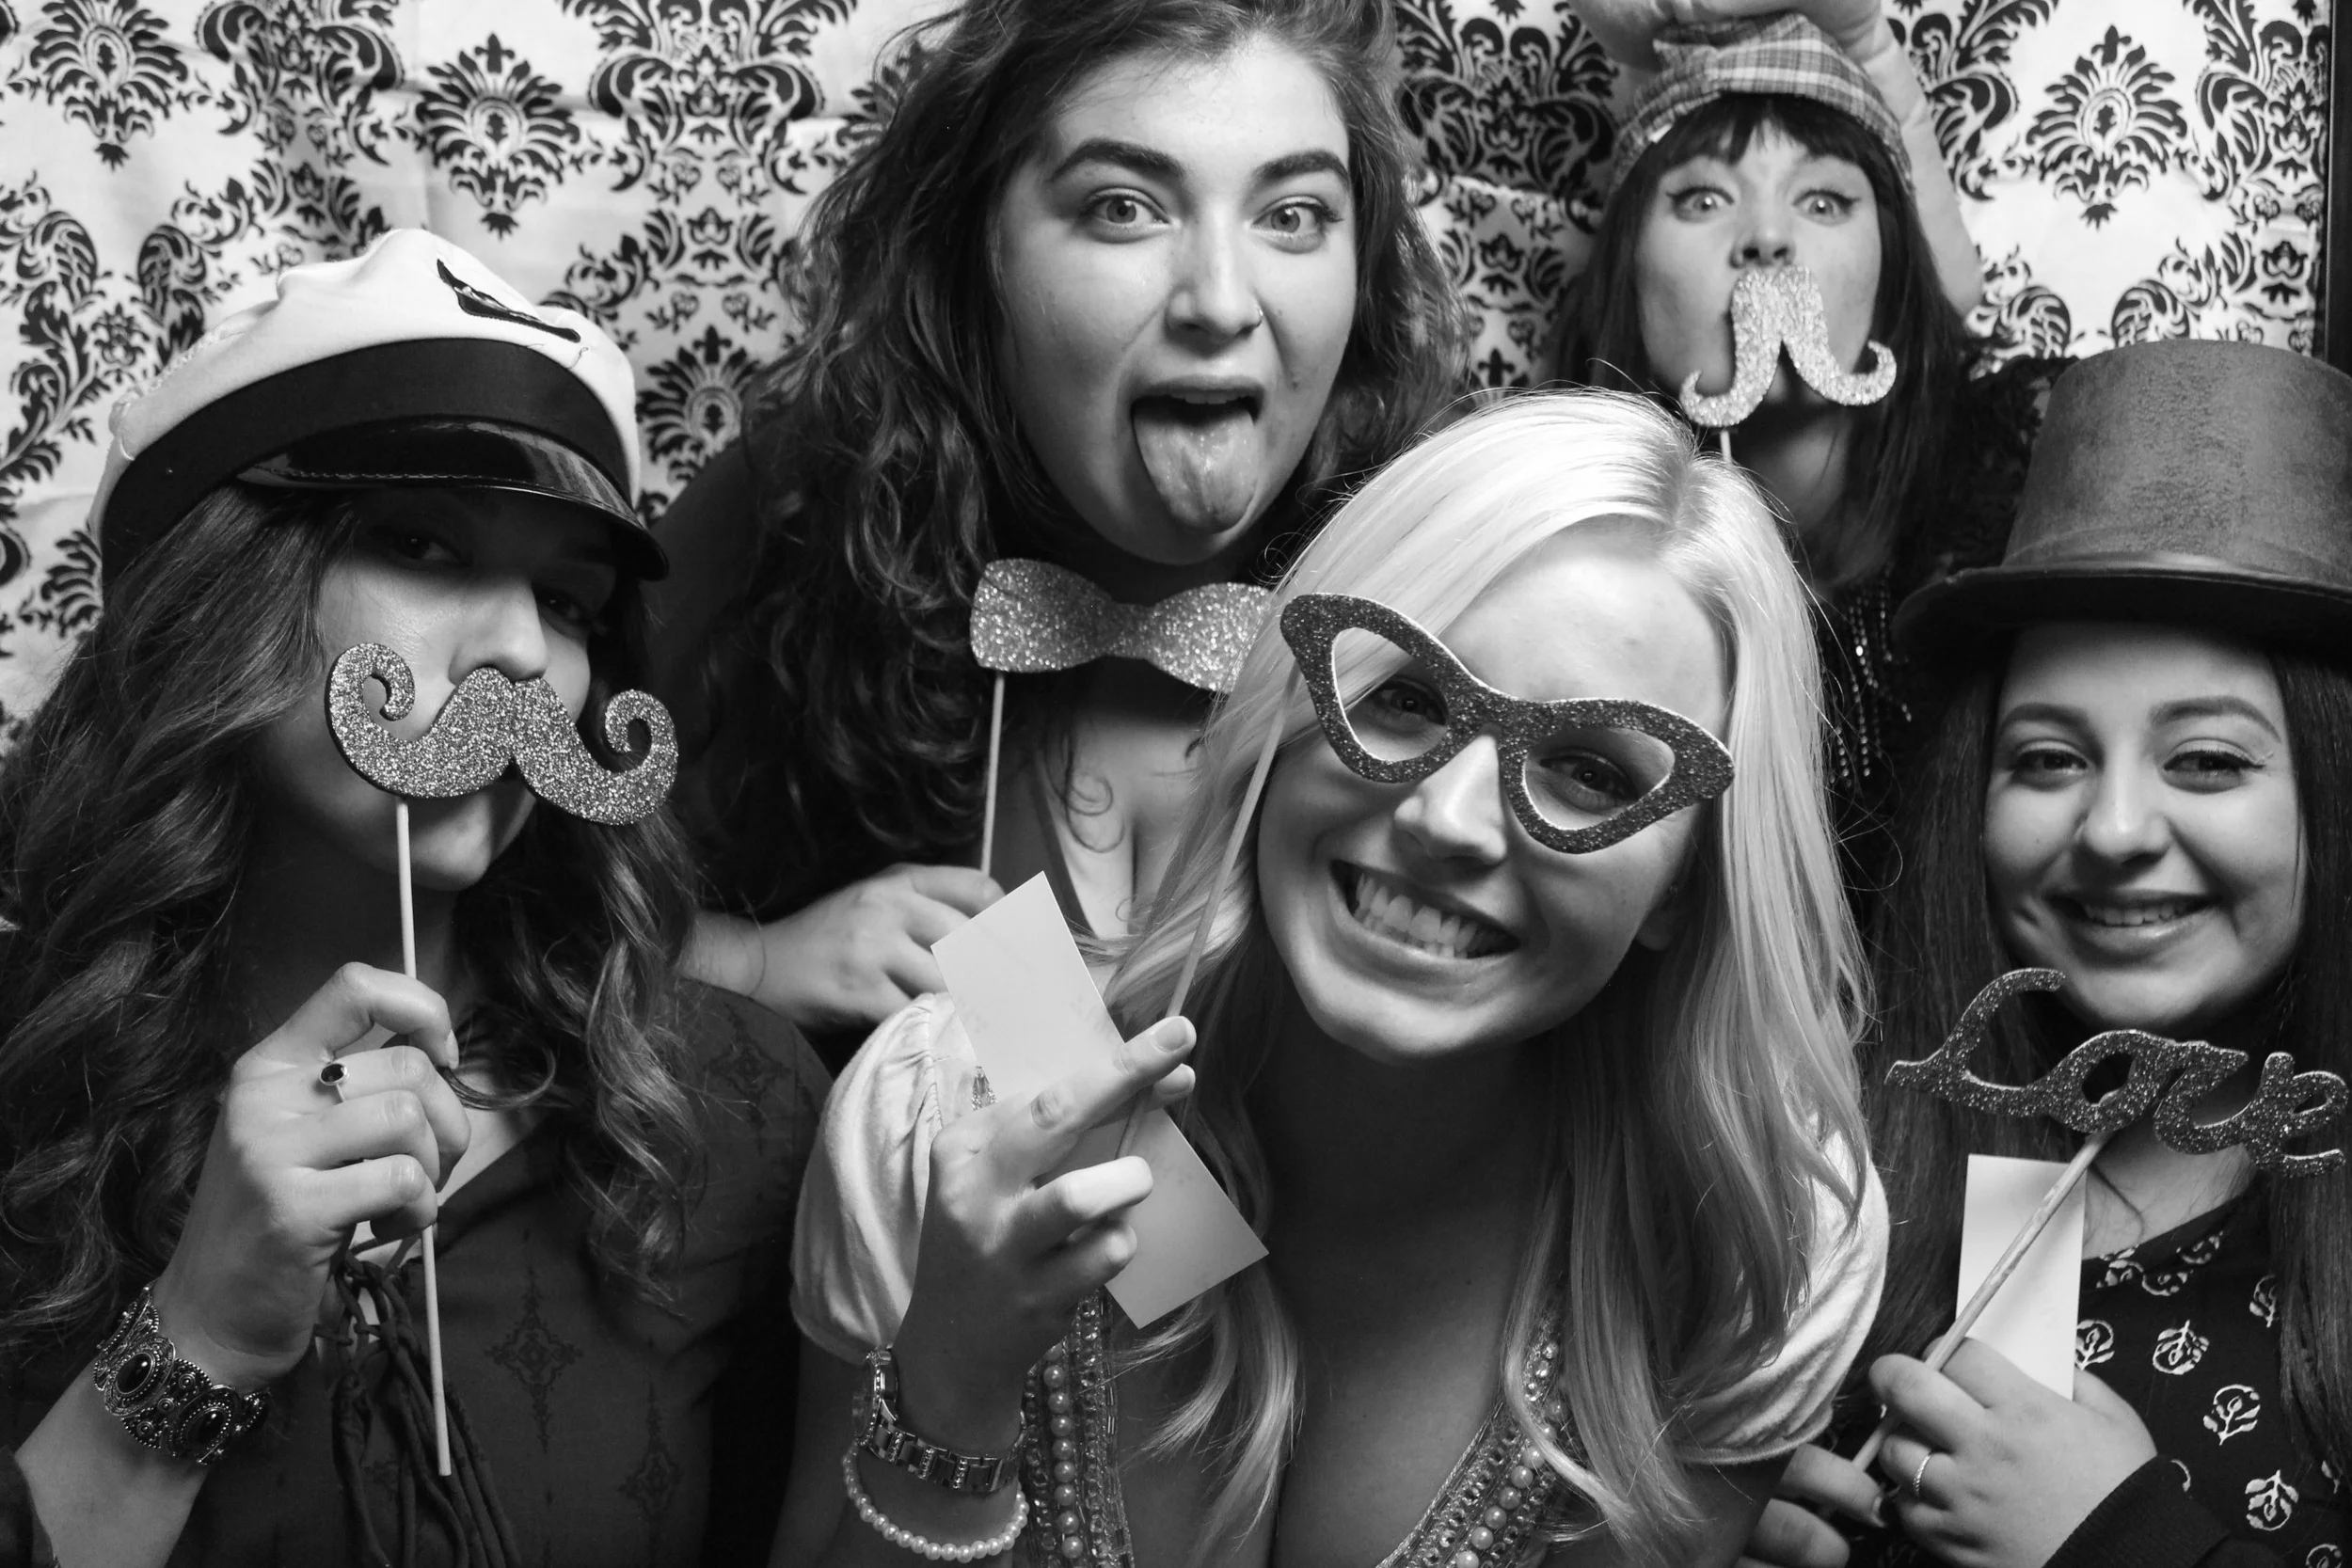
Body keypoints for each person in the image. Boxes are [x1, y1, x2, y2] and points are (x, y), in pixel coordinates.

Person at [776, 390, 1886, 1567]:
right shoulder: (960, 1086)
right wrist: (950, 1387)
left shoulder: (1755, 1219)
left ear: (1682, 887)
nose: (1447, 819)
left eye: (1592, 771)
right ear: (1283, 703)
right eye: (1403, 696)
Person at [0, 230, 826, 1568]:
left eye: (569, 598)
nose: (521, 650)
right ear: (214, 598)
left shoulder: (737, 1102)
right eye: (423, 543)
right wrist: (199, 1333)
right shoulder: (21, 1080)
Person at [649, 0, 1469, 1054]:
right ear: (974, 252)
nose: (1220, 302)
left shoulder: (1454, 573)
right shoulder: (808, 505)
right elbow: (497, 913)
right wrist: (748, 961)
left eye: (1293, 215)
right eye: (1124, 208)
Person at [1742, 341, 2352, 1568]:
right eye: (2048, 758)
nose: (2113, 830)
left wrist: (2115, 1538)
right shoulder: (1832, 1175)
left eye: (2207, 759)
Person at [1552, 2, 2066, 846]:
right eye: (1703, 198)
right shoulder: (1560, 566)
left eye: (1823, 201)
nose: (1766, 237)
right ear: (1627, 276)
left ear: (1894, 269)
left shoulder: (2031, 477)